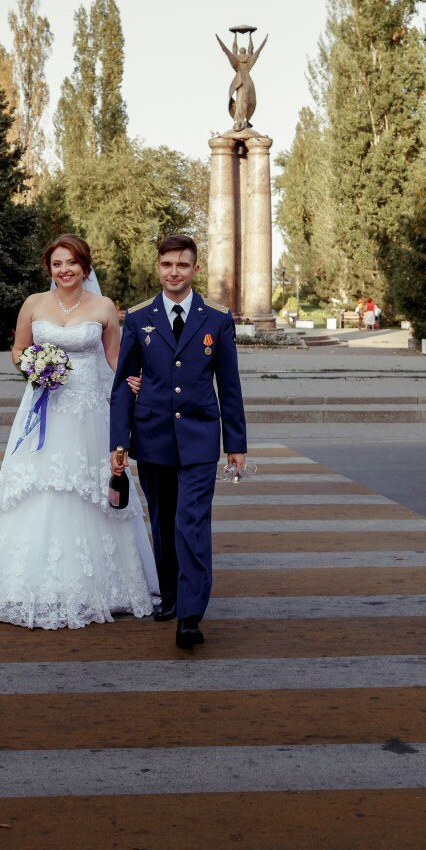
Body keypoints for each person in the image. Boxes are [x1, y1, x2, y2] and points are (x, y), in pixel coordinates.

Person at [0, 234, 158, 629]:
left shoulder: (103, 307)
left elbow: (115, 358)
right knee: (39, 487)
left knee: (89, 488)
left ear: (85, 267)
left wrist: (135, 381)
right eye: (57, 263)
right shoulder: (34, 304)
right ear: (49, 268)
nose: (65, 270)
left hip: (88, 414)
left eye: (72, 262)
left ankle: (105, 588)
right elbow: (18, 349)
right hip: (44, 409)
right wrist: (33, 367)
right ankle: (24, 587)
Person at [109, 235, 247, 651]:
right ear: (158, 268)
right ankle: (169, 594)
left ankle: (189, 615)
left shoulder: (216, 319)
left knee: (192, 523)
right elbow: (123, 385)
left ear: (195, 270)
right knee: (163, 522)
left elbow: (229, 385)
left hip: (200, 438)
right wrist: (118, 443)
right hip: (152, 436)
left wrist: (235, 444)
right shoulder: (139, 318)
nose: (174, 272)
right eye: (167, 264)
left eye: (182, 265)